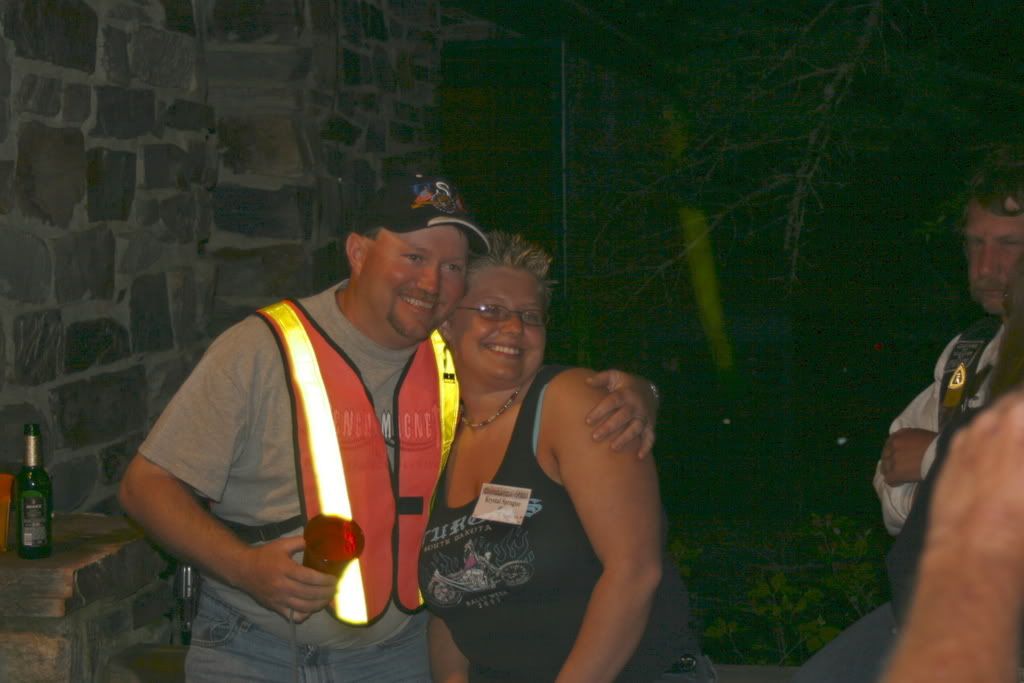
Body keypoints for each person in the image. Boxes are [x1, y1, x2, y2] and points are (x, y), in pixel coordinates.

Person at [117, 173, 661, 683]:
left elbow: (532, 382)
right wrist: (243, 567)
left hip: (399, 656)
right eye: (414, 256)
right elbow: (145, 487)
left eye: (452, 267)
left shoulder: (454, 355)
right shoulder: (262, 349)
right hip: (253, 650)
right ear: (358, 253)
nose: (432, 281)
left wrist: (641, 392)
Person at [418, 232, 710, 683]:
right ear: (446, 324)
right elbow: (450, 608)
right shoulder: (436, 438)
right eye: (491, 309)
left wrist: (648, 390)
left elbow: (634, 572)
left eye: (530, 316)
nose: (514, 328)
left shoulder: (569, 402)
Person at [791, 148, 1024, 683]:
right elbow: (894, 481)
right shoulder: (967, 354)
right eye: (975, 244)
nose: (986, 267)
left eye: (1008, 245)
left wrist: (937, 458)